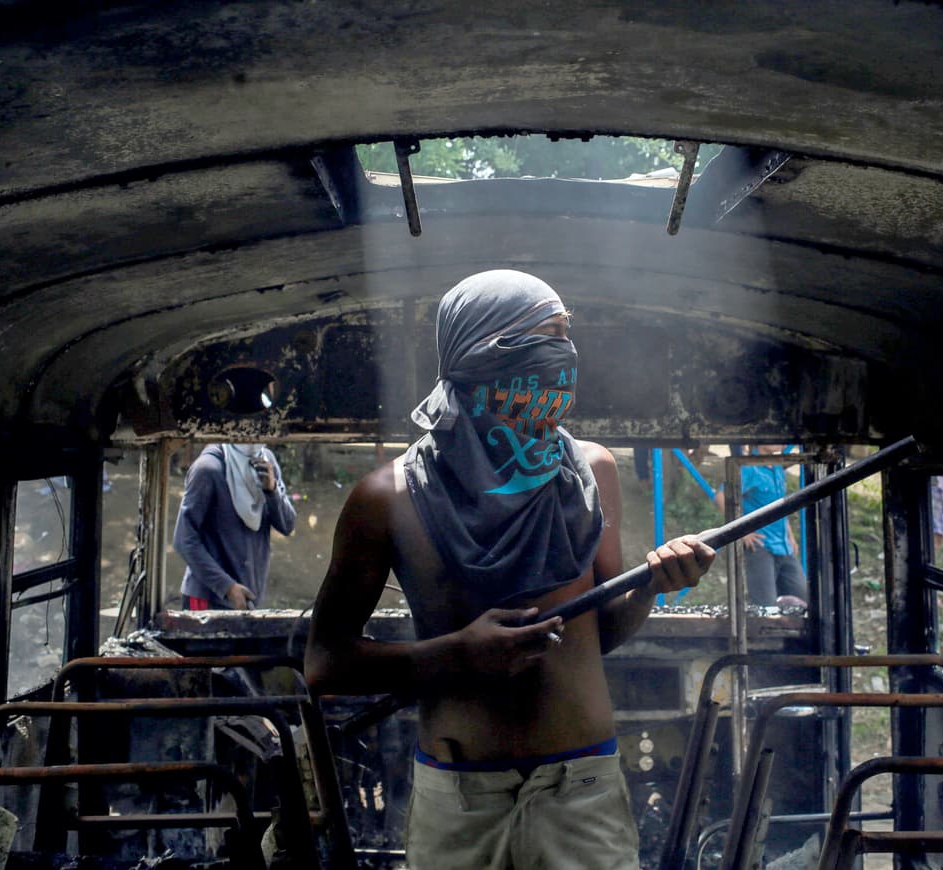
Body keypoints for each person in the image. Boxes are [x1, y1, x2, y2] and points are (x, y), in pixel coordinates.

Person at [303, 269, 715, 869]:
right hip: (460, 800)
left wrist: (653, 586)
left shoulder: (591, 472)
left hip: (584, 792)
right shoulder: (388, 497)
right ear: (479, 352)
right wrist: (457, 655)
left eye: (566, 336)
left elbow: (599, 635)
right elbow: (324, 664)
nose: (563, 355)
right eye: (545, 337)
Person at [174, 443, 297, 610]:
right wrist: (227, 587)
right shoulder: (208, 469)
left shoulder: (267, 462)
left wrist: (272, 491)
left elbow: (287, 525)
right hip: (209, 599)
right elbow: (184, 540)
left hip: (247, 599)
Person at [716, 444, 809, 607]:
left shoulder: (778, 468)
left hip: (783, 546)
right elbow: (722, 496)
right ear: (760, 442)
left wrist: (790, 536)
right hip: (760, 546)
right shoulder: (749, 469)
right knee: (766, 606)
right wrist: (741, 531)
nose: (781, 443)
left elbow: (779, 506)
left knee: (802, 599)